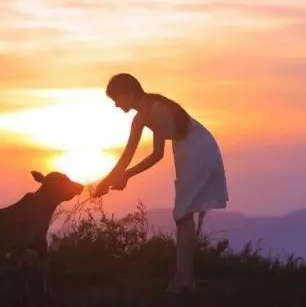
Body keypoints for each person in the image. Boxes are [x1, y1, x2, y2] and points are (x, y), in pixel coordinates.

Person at [94, 73, 229, 294]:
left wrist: (126, 176)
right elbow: (127, 156)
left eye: (116, 99)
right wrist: (106, 181)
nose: (116, 105)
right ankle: (185, 279)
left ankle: (183, 280)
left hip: (198, 148)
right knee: (183, 214)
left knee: (183, 213)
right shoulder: (139, 119)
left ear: (129, 93)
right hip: (186, 150)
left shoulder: (157, 110)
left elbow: (157, 155)